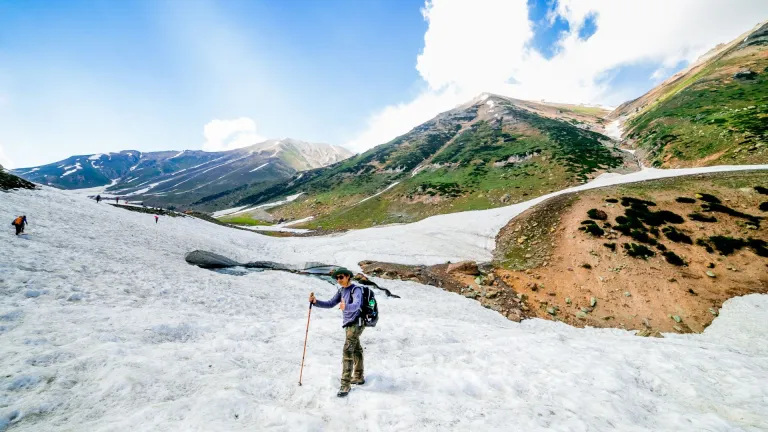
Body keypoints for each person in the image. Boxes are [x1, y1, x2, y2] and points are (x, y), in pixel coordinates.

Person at [309, 268, 366, 397]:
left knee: (347, 350)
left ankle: (345, 385)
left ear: (348, 277)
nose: (338, 280)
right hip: (349, 324)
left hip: (357, 323)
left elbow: (357, 304)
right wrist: (315, 302)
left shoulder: (355, 290)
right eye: (337, 278)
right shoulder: (341, 291)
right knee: (356, 349)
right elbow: (330, 304)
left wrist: (347, 307)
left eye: (341, 277)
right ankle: (358, 376)